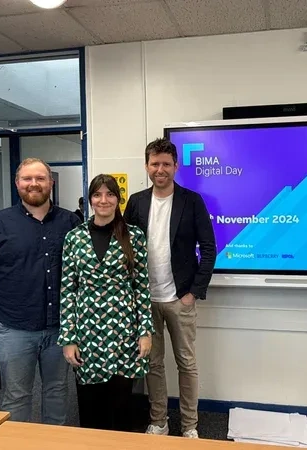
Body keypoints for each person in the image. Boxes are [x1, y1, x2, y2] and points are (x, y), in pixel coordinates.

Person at [0, 158, 81, 424]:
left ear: (50, 183)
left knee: (57, 391)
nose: (34, 184)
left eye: (40, 178)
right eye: (27, 179)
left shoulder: (71, 223)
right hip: (14, 327)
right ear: (17, 183)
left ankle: (54, 443)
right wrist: (9, 292)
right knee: (17, 396)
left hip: (59, 328)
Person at [124, 138, 216, 439]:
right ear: (147, 166)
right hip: (146, 300)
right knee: (153, 363)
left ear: (176, 166)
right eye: (154, 164)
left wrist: (193, 293)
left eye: (166, 164)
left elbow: (209, 248)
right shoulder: (136, 202)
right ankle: (159, 421)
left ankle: (190, 425)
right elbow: (123, 246)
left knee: (186, 364)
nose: (160, 169)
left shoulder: (192, 201)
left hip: (180, 298)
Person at [58, 174, 154, 432]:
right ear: (90, 199)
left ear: (118, 199)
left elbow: (142, 286)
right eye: (98, 195)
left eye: (110, 194)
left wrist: (145, 331)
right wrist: (68, 338)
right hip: (87, 331)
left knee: (122, 405)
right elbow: (68, 290)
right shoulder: (74, 238)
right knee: (91, 407)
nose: (104, 200)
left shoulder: (133, 236)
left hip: (124, 329)